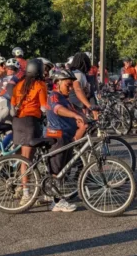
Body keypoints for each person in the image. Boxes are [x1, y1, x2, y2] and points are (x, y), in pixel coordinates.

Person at [46, 68, 89, 213]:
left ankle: (55, 197)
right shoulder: (54, 96)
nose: (70, 88)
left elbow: (77, 113)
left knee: (64, 169)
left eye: (71, 85)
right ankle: (56, 201)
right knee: (57, 171)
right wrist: (74, 116)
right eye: (68, 85)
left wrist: (85, 119)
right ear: (57, 83)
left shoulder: (66, 99)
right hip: (58, 136)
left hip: (67, 137)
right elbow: (57, 109)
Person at [10, 59, 49, 199]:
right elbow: (44, 106)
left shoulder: (19, 84)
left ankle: (23, 187)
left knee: (23, 159)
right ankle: (26, 193)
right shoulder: (40, 85)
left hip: (17, 122)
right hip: (30, 122)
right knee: (27, 159)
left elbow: (13, 103)